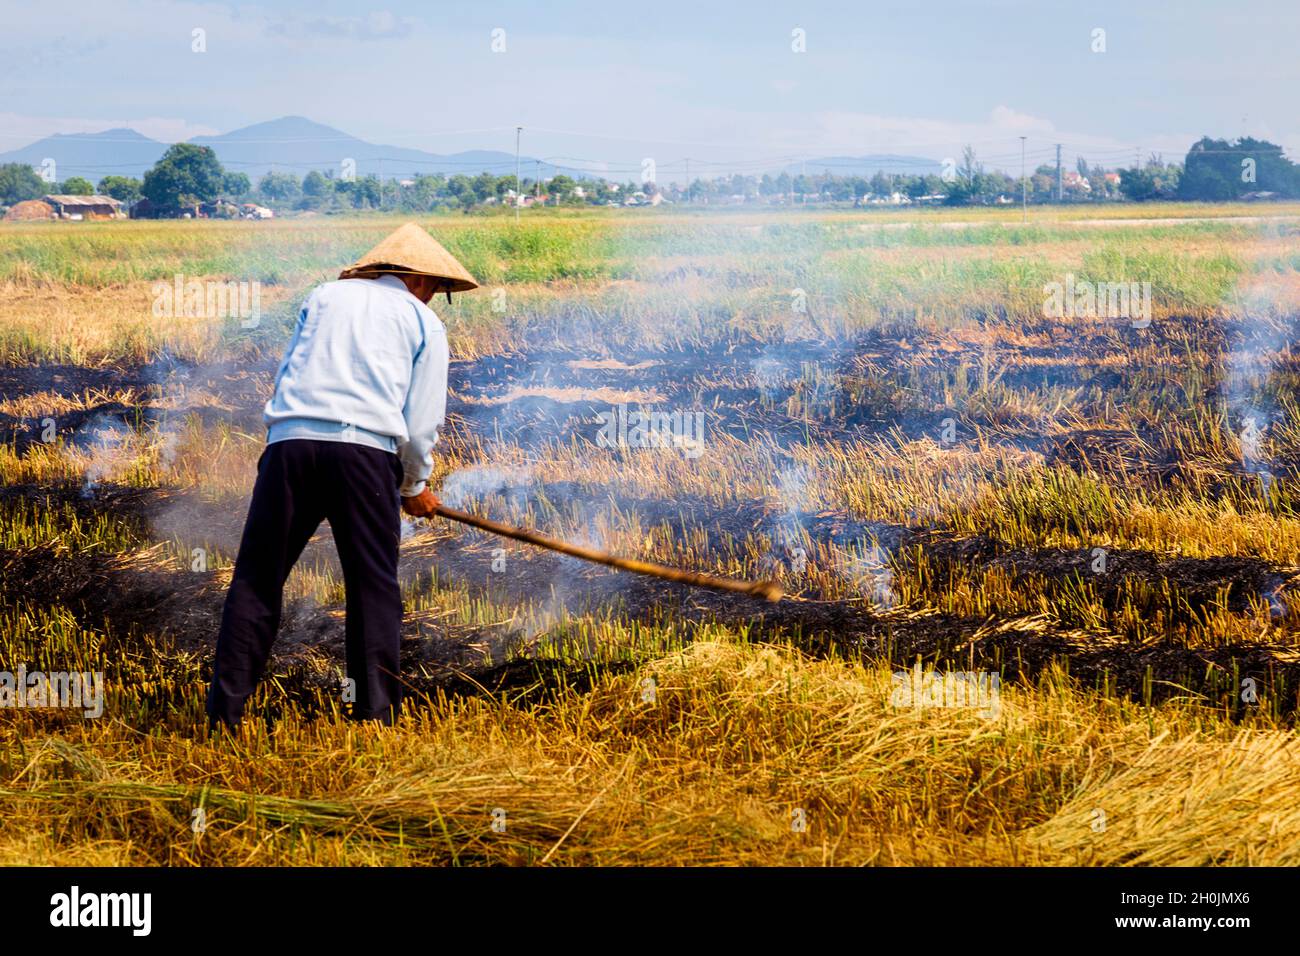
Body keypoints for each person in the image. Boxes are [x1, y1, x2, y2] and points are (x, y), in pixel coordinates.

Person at [206, 222, 478, 729]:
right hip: (363, 454)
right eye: (437, 290)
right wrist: (413, 487)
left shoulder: (325, 296)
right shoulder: (422, 320)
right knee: (373, 585)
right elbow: (422, 422)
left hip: (288, 446)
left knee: (257, 580)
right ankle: (375, 716)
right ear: (422, 281)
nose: (436, 298)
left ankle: (225, 714)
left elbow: (293, 367)